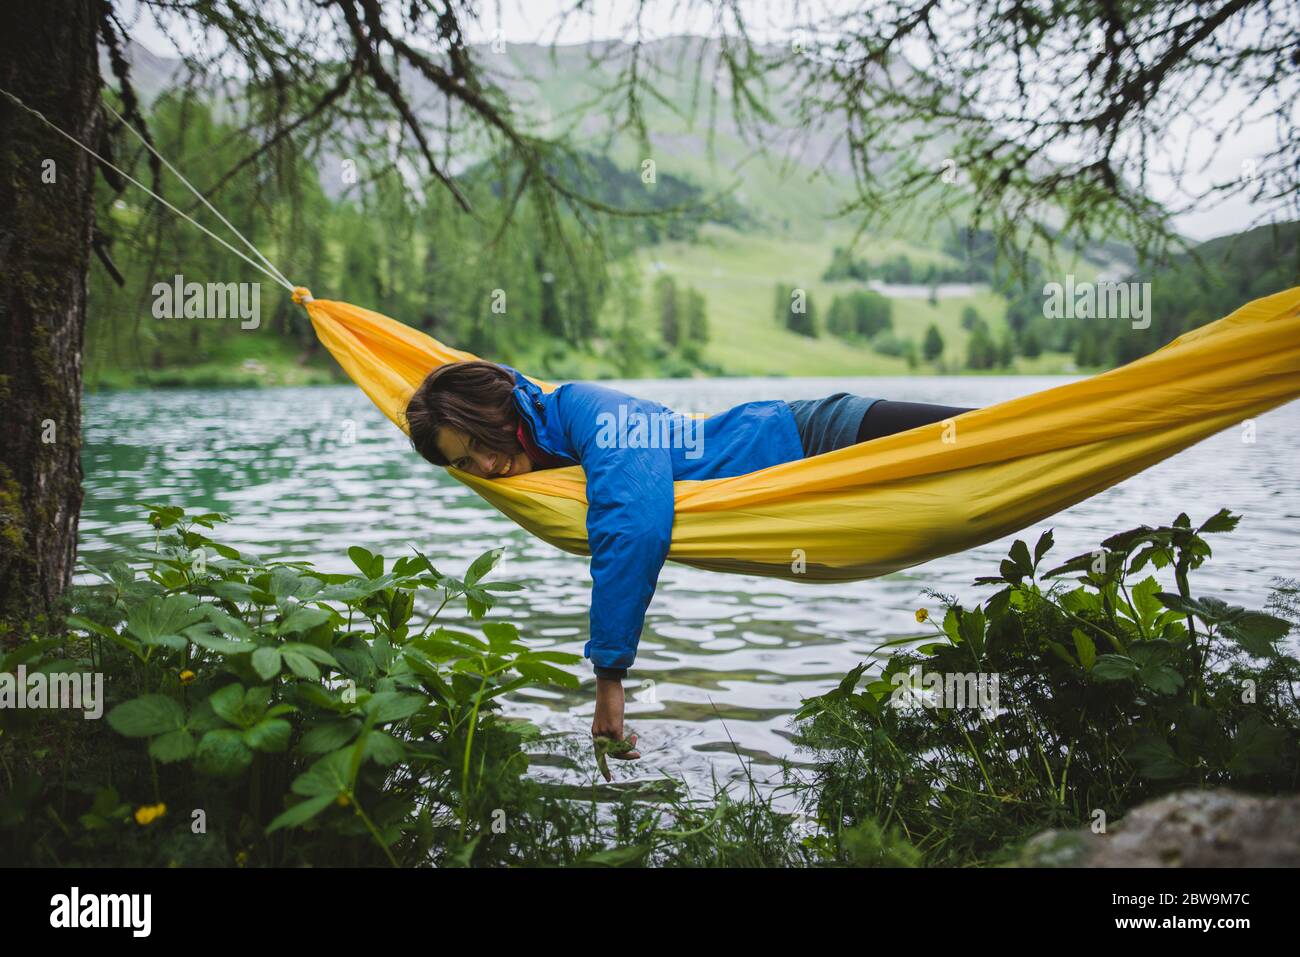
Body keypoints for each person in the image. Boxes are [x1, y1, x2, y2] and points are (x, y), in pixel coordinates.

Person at [404, 360, 974, 775]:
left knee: (1007, 438)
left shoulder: (586, 408)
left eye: (479, 442)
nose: (485, 465)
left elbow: (634, 523)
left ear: (496, 413)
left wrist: (609, 679)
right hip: (801, 484)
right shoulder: (537, 447)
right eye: (464, 462)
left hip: (821, 437)